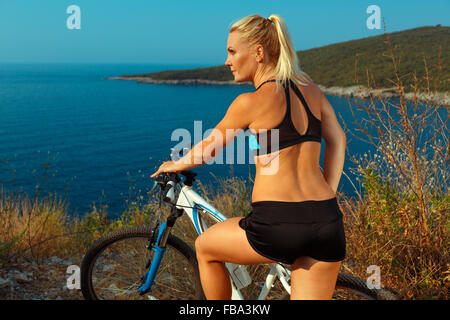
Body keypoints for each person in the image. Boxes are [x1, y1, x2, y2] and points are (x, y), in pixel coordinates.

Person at [150, 14, 346, 300]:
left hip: (278, 225)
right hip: (328, 221)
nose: (227, 61)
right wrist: (329, 189)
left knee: (205, 247)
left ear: (258, 53)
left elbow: (208, 149)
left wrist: (174, 164)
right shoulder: (311, 91)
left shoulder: (250, 102)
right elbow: (338, 139)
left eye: (232, 51)